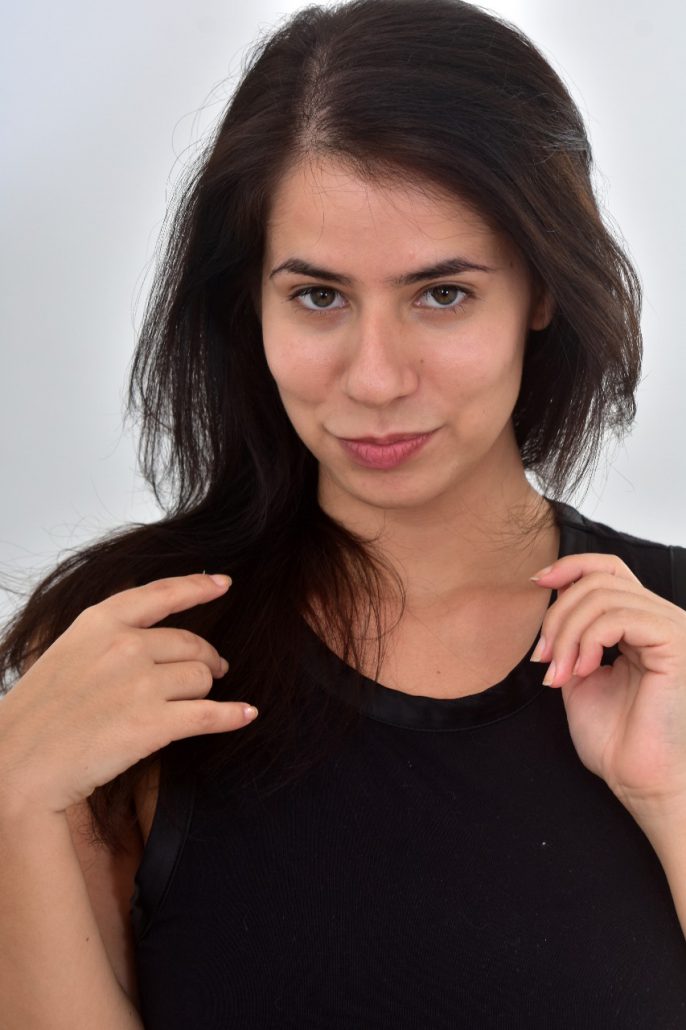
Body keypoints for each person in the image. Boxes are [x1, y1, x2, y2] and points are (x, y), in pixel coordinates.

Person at [1, 0, 686, 1025]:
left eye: (441, 294)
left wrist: (673, 799)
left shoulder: (675, 646)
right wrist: (15, 798)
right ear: (252, 303)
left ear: (542, 291)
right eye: (318, 296)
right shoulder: (126, 654)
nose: (373, 378)